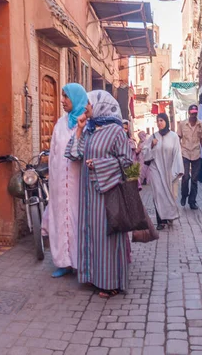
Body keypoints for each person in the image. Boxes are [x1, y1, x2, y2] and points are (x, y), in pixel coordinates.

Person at [65, 90, 132, 299]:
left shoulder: (116, 131)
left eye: (89, 105)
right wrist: (79, 129)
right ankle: (94, 277)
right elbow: (73, 154)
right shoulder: (90, 130)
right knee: (91, 235)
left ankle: (111, 282)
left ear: (101, 105)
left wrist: (101, 165)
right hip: (88, 196)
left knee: (107, 237)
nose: (86, 108)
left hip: (107, 194)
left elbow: (129, 164)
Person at [41, 83, 88, 278]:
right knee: (60, 220)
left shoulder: (87, 123)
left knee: (78, 220)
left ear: (76, 98)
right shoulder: (60, 124)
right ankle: (62, 262)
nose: (62, 101)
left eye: (66, 97)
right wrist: (52, 179)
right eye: (61, 96)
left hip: (78, 183)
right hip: (60, 183)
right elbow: (53, 154)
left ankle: (80, 262)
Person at [143, 113, 184, 230]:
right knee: (158, 194)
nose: (159, 123)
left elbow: (177, 153)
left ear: (166, 121)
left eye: (161, 120)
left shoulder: (174, 136)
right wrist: (151, 144)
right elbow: (145, 152)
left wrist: (178, 169)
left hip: (169, 169)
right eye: (158, 121)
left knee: (170, 194)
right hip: (156, 169)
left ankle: (169, 216)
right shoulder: (153, 136)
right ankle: (160, 221)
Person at [177, 104, 202, 210]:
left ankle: (192, 201)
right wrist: (176, 154)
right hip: (185, 153)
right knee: (185, 177)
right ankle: (184, 195)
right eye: (192, 113)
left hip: (196, 153)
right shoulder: (182, 124)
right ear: (189, 113)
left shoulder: (201, 124)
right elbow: (178, 138)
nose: (193, 115)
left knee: (194, 179)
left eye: (195, 113)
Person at [123, 120, 141, 190]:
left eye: (125, 128)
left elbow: (133, 158)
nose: (124, 130)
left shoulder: (130, 141)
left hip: (130, 170)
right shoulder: (116, 141)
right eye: (122, 128)